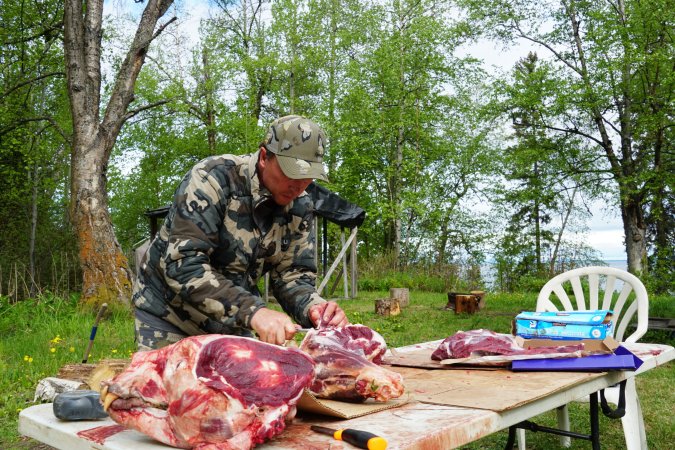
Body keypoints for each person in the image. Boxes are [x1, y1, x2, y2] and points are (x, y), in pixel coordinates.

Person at [132, 115, 349, 350]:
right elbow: (183, 265)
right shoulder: (212, 179)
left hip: (233, 322)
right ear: (265, 157)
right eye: (292, 173)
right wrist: (255, 312)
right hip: (170, 317)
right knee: (168, 384)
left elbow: (293, 276)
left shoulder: (301, 205)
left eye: (308, 177)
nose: (298, 186)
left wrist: (314, 308)